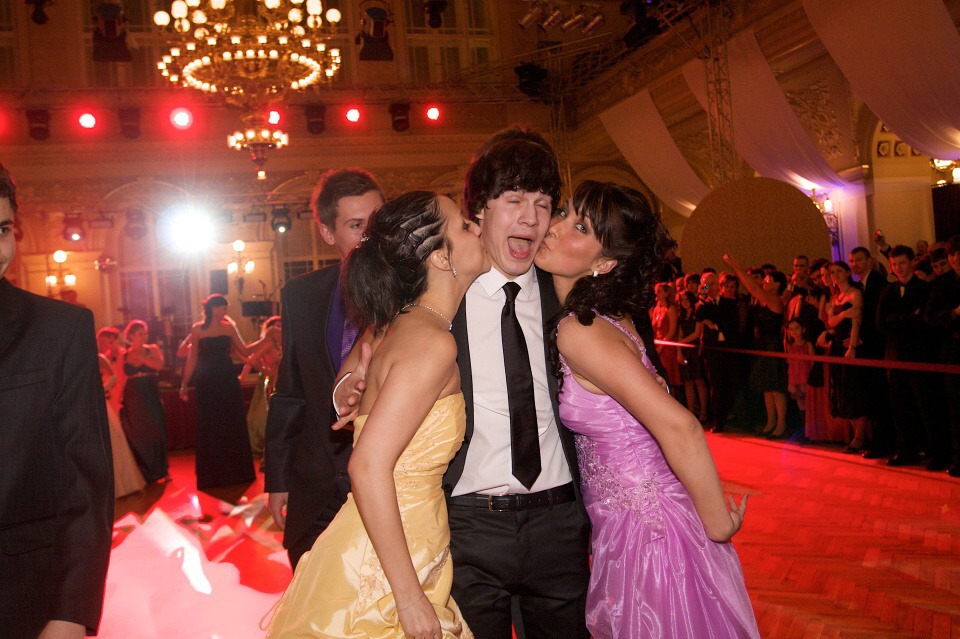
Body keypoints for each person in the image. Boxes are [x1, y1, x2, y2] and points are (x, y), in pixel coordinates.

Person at [334, 128, 668, 639]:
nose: (531, 218)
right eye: (514, 200)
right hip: (467, 529)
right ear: (478, 213)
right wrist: (347, 387)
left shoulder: (573, 297)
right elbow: (365, 356)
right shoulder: (439, 297)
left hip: (560, 524)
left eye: (544, 204)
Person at [536, 180, 758, 639]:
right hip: (629, 521)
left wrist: (718, 523)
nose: (555, 227)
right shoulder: (607, 317)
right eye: (563, 213)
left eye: (580, 226)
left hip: (648, 530)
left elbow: (681, 427)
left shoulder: (581, 329)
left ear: (604, 263)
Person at [265, 191, 486, 638]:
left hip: (394, 541)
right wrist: (409, 598)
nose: (477, 228)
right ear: (441, 257)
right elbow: (366, 465)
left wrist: (350, 391)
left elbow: (348, 387)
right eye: (465, 225)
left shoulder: (392, 325)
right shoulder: (431, 341)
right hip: (387, 561)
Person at [0, 162, 113, 639]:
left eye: (2, 230)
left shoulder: (59, 331)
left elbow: (85, 484)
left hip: (22, 599)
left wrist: (71, 614)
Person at [264, 168, 385, 569]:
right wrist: (278, 479)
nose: (371, 235)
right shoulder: (301, 295)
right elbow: (291, 392)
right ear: (328, 233)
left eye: (378, 221)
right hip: (317, 490)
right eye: (356, 225)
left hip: (392, 492)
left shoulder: (417, 292)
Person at [181, 295, 271, 490]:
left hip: (226, 379)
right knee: (210, 424)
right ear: (213, 309)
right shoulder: (197, 329)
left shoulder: (229, 328)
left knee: (231, 421)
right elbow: (192, 358)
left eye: (225, 308)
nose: (225, 311)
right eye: (222, 308)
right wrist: (184, 383)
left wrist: (265, 339)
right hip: (206, 381)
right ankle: (212, 475)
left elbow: (245, 351)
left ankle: (236, 472)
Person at [876, 246, 949, 470]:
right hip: (895, 357)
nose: (898, 268)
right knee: (901, 407)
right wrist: (909, 318)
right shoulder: (887, 292)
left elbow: (926, 323)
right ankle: (906, 450)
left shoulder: (926, 289)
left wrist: (897, 320)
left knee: (928, 407)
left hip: (920, 357)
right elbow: (880, 324)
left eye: (902, 263)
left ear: (911, 263)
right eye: (894, 264)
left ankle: (939, 453)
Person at [724, 256, 789, 437]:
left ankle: (781, 423)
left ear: (777, 285)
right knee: (766, 387)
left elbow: (752, 288)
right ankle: (770, 421)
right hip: (761, 345)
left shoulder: (774, 299)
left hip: (772, 346)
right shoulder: (761, 300)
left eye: (768, 281)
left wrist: (737, 266)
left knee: (775, 387)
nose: (764, 283)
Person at [819, 261, 870, 453]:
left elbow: (857, 321)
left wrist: (853, 347)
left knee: (855, 391)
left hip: (850, 346)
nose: (835, 275)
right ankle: (856, 435)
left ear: (848, 273)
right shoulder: (835, 297)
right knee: (842, 391)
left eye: (839, 271)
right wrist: (843, 315)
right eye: (832, 272)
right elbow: (831, 321)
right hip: (837, 347)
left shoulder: (855, 293)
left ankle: (860, 436)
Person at [925, 234, 960, 476]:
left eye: (959, 254)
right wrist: (954, 313)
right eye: (952, 254)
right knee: (956, 408)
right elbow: (929, 317)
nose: (955, 259)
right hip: (953, 351)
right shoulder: (943, 283)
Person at [120, 319, 169, 483]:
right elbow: (121, 377)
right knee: (138, 432)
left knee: (156, 428)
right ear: (131, 336)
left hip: (150, 391)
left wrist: (141, 358)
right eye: (140, 334)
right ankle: (144, 472)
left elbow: (159, 365)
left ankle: (161, 470)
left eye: (145, 333)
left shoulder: (152, 349)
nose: (144, 336)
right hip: (133, 395)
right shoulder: (124, 354)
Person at [98, 341, 146, 497]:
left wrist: (101, 389)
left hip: (99, 403)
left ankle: (123, 485)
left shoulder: (99, 358)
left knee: (113, 441)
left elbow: (114, 377)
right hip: (85, 405)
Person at [240, 315, 282, 458]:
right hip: (271, 381)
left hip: (281, 381)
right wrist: (266, 371)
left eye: (281, 326)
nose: (279, 329)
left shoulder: (282, 343)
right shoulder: (269, 343)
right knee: (266, 416)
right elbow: (251, 359)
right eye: (276, 326)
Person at [676, 290, 708, 421]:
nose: (684, 302)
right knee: (688, 381)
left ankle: (704, 413)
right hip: (685, 351)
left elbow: (697, 333)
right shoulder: (682, 316)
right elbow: (679, 334)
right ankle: (691, 413)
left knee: (699, 381)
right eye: (682, 300)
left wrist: (681, 343)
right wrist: (679, 351)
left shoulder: (697, 313)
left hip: (696, 350)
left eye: (686, 299)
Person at [650, 282, 681, 389]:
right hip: (658, 345)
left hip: (667, 347)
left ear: (666, 293)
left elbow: (672, 331)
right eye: (656, 291)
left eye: (659, 291)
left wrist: (661, 347)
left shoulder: (671, 309)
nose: (656, 294)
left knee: (668, 377)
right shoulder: (656, 309)